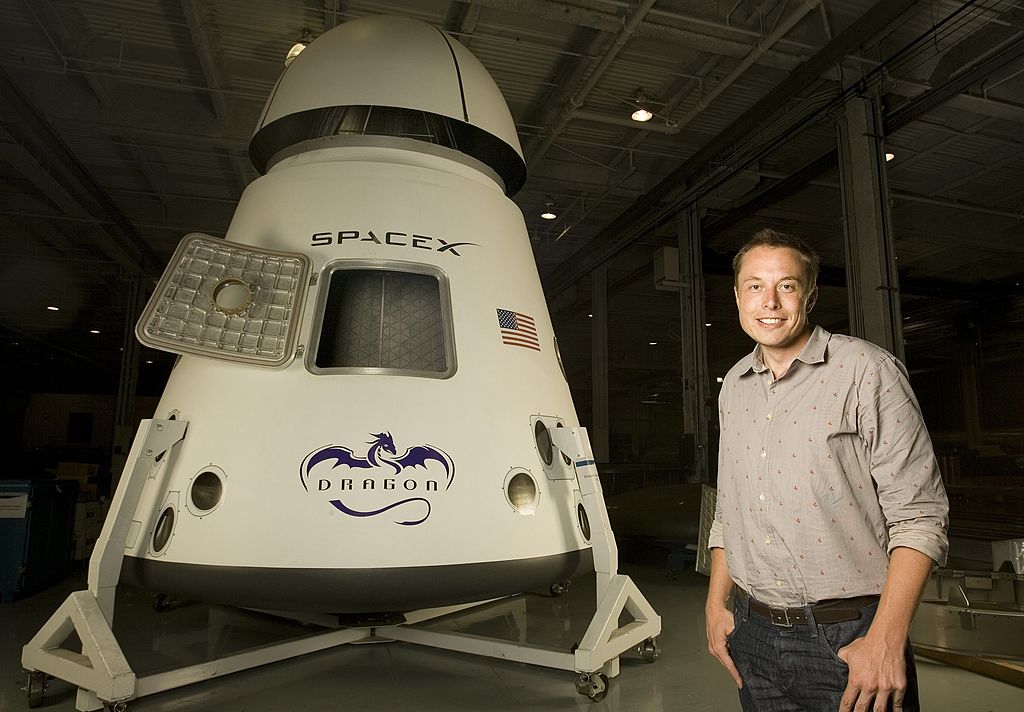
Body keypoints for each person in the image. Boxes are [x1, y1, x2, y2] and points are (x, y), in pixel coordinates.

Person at [705, 228, 949, 712]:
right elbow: (730, 508)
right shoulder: (734, 384)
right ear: (737, 295)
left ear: (810, 294)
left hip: (848, 636)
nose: (769, 302)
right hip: (751, 631)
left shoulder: (866, 370)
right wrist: (716, 605)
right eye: (755, 286)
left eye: (786, 285)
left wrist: (885, 639)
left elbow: (921, 516)